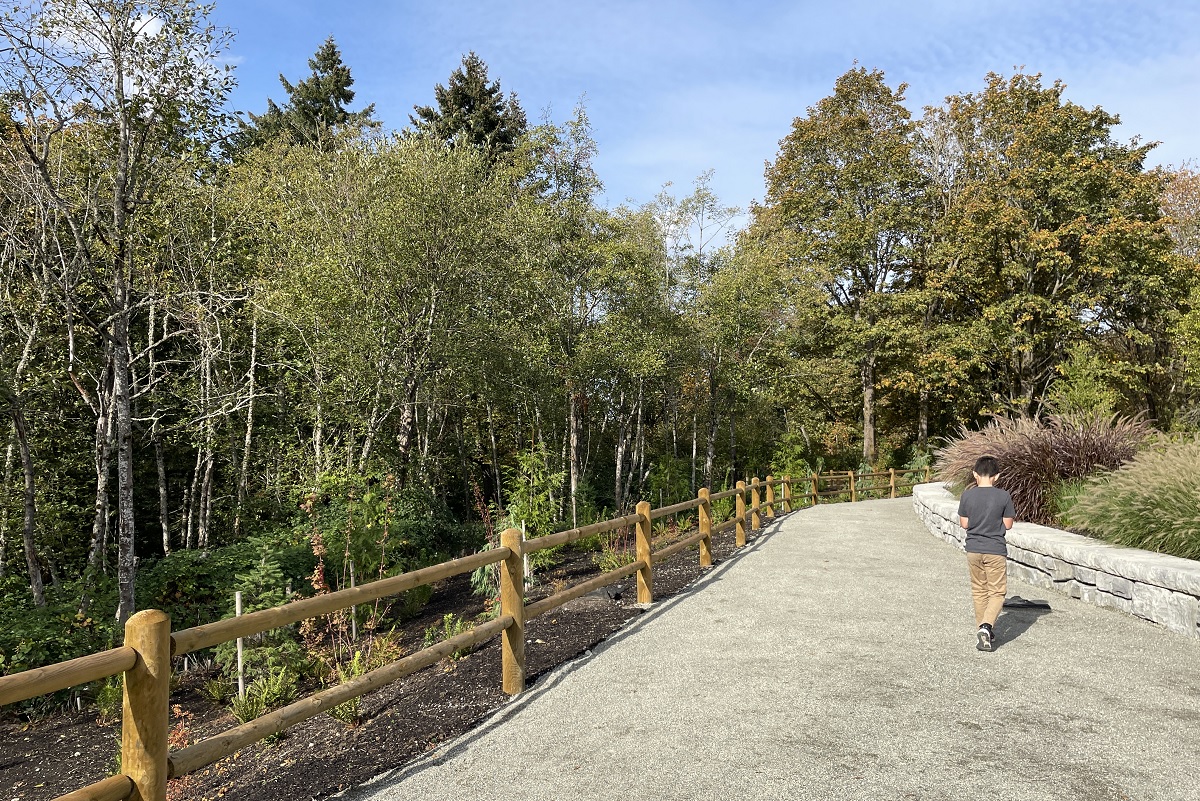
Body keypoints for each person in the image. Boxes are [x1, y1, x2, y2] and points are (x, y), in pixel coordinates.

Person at [957, 455, 1015, 652]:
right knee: (997, 592)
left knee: (979, 590)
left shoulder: (967, 496)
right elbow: (1008, 525)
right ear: (997, 476)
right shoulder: (1003, 496)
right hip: (995, 549)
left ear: (975, 474)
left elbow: (964, 523)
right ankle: (986, 627)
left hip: (973, 549)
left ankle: (983, 631)